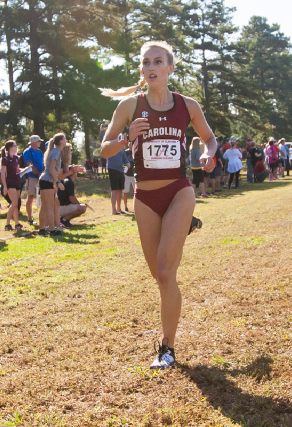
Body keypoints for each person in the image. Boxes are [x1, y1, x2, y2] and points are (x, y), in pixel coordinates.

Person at [100, 40, 216, 370]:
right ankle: (181, 227)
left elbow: (209, 137)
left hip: (179, 191)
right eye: (146, 62)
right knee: (160, 276)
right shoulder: (129, 107)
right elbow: (105, 149)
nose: (152, 67)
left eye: (158, 61)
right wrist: (126, 138)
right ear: (142, 70)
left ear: (170, 68)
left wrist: (209, 152)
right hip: (146, 199)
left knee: (166, 269)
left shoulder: (187, 105)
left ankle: (167, 347)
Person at [39, 133, 66, 237]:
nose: (66, 140)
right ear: (60, 141)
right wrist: (58, 182)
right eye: (64, 138)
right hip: (47, 180)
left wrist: (55, 182)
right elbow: (51, 170)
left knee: (45, 207)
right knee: (49, 207)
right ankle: (52, 231)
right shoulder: (56, 152)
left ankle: (42, 230)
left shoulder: (55, 151)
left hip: (46, 180)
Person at [1, 140, 29, 231]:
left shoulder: (17, 158)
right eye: (14, 145)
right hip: (10, 183)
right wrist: (5, 186)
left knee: (16, 204)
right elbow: (3, 173)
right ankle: (7, 224)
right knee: (14, 203)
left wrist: (25, 169)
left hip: (17, 182)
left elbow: (17, 170)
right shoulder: (5, 159)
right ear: (10, 147)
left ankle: (17, 223)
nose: (16, 147)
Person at [22, 135, 45, 226]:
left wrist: (42, 173)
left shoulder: (39, 151)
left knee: (42, 197)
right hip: (31, 177)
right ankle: (30, 218)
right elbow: (29, 165)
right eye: (38, 141)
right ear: (34, 142)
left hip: (41, 177)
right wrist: (38, 173)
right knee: (30, 197)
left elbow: (43, 163)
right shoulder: (27, 152)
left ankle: (43, 216)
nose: (40, 143)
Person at [106, 141, 130, 215]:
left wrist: (127, 162)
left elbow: (124, 158)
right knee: (114, 189)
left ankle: (119, 209)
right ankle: (113, 210)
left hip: (121, 170)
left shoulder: (122, 148)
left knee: (120, 189)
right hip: (112, 169)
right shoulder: (111, 146)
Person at [123, 142, 135, 211]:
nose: (131, 145)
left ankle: (135, 207)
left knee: (136, 191)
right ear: (128, 144)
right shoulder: (125, 152)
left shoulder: (135, 151)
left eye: (132, 144)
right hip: (126, 174)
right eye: (130, 143)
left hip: (134, 175)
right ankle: (125, 206)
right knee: (125, 191)